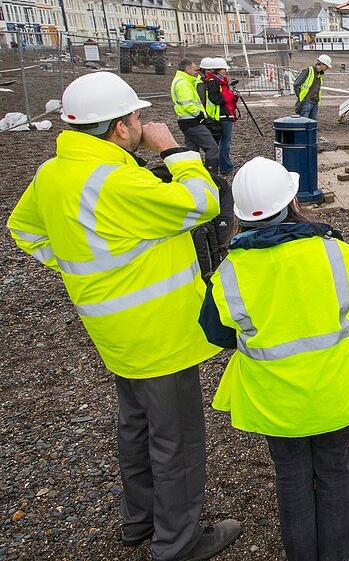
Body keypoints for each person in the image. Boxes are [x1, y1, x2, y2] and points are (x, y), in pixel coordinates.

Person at [7, 71, 241, 560]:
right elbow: (203, 202)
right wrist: (174, 149)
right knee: (175, 441)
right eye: (136, 117)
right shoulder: (118, 181)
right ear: (120, 128)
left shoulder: (54, 174)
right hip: (157, 331)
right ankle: (177, 543)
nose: (141, 123)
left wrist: (87, 269)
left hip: (110, 328)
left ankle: (140, 522)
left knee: (136, 427)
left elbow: (24, 231)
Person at [199, 157, 349, 561]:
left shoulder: (230, 271)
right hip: (335, 388)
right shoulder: (332, 251)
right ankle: (338, 551)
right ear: (291, 203)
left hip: (276, 401)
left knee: (290, 475)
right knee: (334, 466)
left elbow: (216, 333)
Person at [171, 58, 220, 170]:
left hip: (185, 121)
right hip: (192, 121)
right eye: (193, 69)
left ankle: (194, 172)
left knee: (192, 151)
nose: (195, 71)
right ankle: (212, 175)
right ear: (187, 70)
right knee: (212, 148)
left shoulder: (179, 80)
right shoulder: (183, 83)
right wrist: (200, 116)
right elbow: (188, 104)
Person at [198, 57, 239, 176]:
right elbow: (215, 98)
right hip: (221, 115)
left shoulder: (215, 80)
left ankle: (216, 166)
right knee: (224, 142)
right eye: (224, 69)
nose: (226, 71)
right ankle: (225, 167)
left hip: (220, 115)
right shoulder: (214, 82)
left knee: (218, 143)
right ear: (218, 70)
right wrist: (230, 95)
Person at [294, 53, 331, 120]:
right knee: (303, 122)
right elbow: (296, 84)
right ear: (322, 64)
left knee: (312, 124)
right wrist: (300, 97)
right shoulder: (308, 71)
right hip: (306, 102)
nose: (327, 68)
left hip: (315, 102)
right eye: (327, 66)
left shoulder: (320, 75)